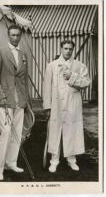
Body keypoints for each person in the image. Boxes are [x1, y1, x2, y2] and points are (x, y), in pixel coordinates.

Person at [43, 40, 90, 173]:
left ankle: (71, 160)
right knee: (55, 130)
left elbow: (86, 82)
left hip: (72, 102)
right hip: (56, 104)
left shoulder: (79, 65)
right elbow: (46, 87)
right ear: (61, 49)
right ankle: (54, 161)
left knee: (72, 130)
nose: (68, 51)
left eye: (70, 49)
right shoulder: (52, 65)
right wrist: (47, 106)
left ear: (73, 50)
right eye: (65, 48)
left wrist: (72, 76)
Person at [0, 25, 30, 180]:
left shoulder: (23, 54)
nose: (15, 38)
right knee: (6, 133)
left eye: (18, 35)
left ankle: (11, 163)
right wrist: (2, 97)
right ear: (8, 35)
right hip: (5, 101)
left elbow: (24, 80)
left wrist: (26, 101)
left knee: (17, 134)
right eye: (13, 35)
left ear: (20, 36)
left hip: (20, 100)